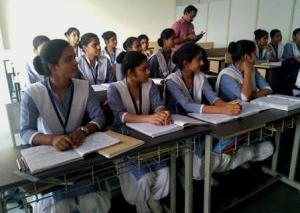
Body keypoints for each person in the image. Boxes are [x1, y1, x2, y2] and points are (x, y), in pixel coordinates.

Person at [20, 39, 111, 213]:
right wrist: (52, 139)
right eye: (69, 59)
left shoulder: (84, 87)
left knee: (93, 202)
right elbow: (25, 131)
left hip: (79, 156)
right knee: (60, 207)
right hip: (51, 159)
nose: (76, 62)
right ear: (53, 66)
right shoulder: (33, 93)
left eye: (74, 57)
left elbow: (98, 117)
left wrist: (83, 130)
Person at [165, 43, 259, 180]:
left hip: (197, 118)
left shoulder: (199, 76)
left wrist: (226, 105)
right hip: (178, 124)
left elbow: (212, 97)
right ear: (186, 63)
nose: (202, 62)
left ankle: (205, 169)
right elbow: (187, 105)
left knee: (213, 138)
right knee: (197, 147)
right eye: (199, 59)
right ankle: (188, 170)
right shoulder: (172, 81)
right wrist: (222, 110)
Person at [107, 51, 171, 213]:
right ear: (130, 72)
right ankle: (141, 203)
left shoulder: (149, 84)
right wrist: (149, 118)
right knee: (144, 177)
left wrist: (162, 112)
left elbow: (158, 104)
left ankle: (153, 199)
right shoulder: (114, 88)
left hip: (146, 137)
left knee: (164, 172)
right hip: (123, 140)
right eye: (144, 69)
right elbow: (120, 115)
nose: (149, 72)